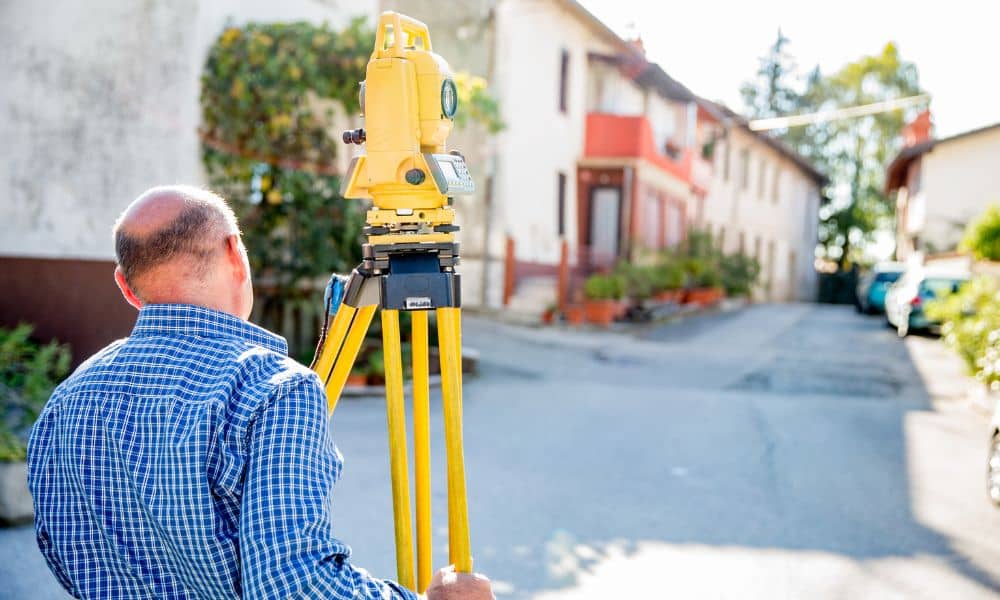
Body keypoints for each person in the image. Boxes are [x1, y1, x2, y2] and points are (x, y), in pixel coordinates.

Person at [26, 185, 494, 600]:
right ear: (235, 252)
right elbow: (292, 587)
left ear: (126, 287)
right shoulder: (272, 390)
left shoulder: (68, 400)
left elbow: (64, 550)